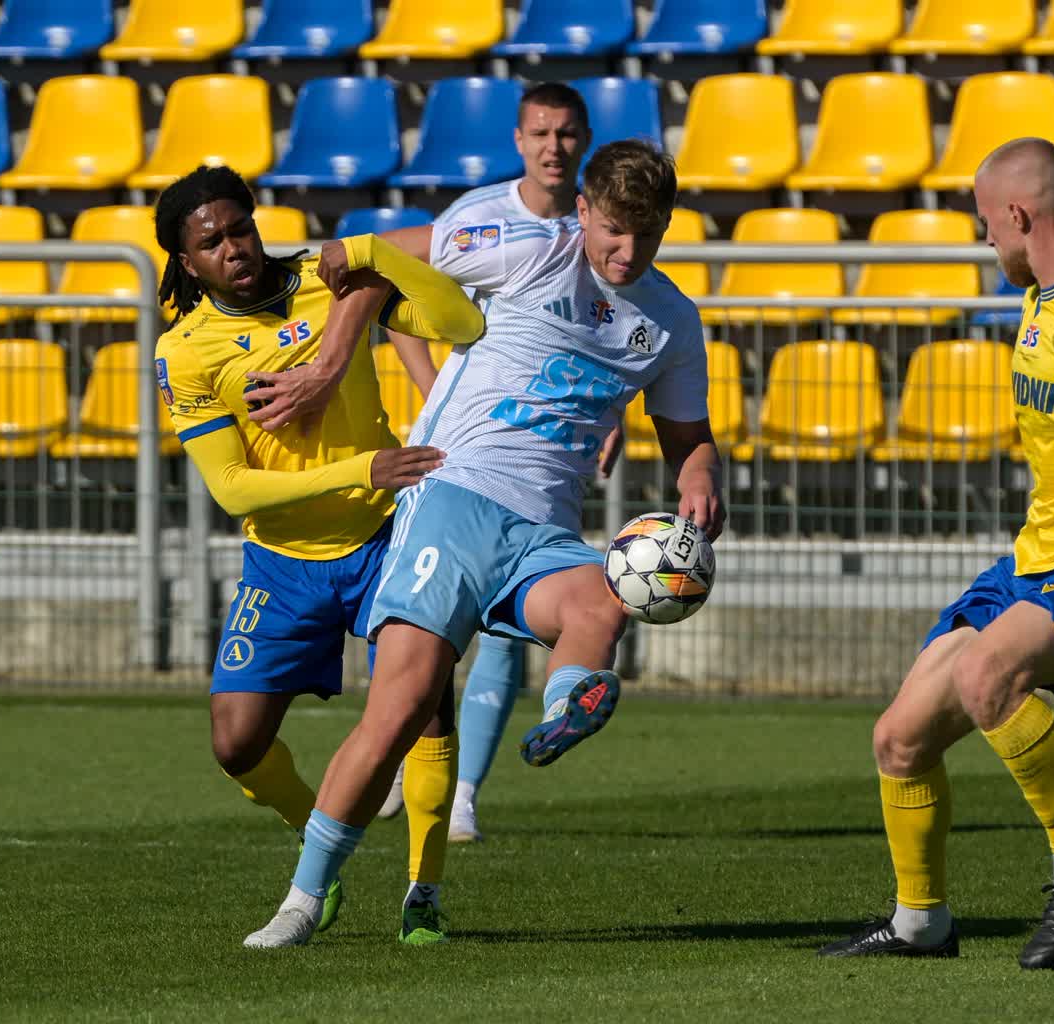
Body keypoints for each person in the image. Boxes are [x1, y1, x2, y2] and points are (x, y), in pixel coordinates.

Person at [241, 139, 725, 949]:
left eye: (647, 234)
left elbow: (690, 437)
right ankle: (304, 896)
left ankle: (566, 707)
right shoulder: (523, 248)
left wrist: (701, 477)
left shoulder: (671, 321)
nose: (627, 251)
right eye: (613, 231)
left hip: (545, 533)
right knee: (400, 711)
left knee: (603, 600)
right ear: (582, 212)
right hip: (454, 499)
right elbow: (374, 258)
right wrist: (327, 357)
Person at [818, 138, 1054, 969]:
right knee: (898, 739)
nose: (984, 236)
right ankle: (921, 924)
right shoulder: (1036, 297)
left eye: (986, 221)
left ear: (1021, 216)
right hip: (1033, 560)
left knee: (986, 676)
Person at [255, 81, 621, 846]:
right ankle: (405, 754)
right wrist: (427, 393)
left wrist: (607, 411)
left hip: (543, 459)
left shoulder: (602, 230)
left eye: (566, 133)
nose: (554, 147)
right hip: (461, 460)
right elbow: (386, 279)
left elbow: (605, 334)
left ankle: (463, 796)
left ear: (585, 139)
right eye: (540, 133)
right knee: (427, 636)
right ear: (519, 141)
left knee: (510, 634)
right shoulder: (485, 217)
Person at [151, 165, 484, 946]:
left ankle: (424, 893)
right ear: (186, 261)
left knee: (425, 704)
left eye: (240, 229)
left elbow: (460, 323)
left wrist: (378, 255)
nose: (234, 248)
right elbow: (232, 489)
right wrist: (362, 466)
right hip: (282, 559)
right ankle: (319, 842)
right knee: (236, 743)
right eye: (212, 243)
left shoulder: (325, 280)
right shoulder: (184, 352)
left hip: (385, 536)